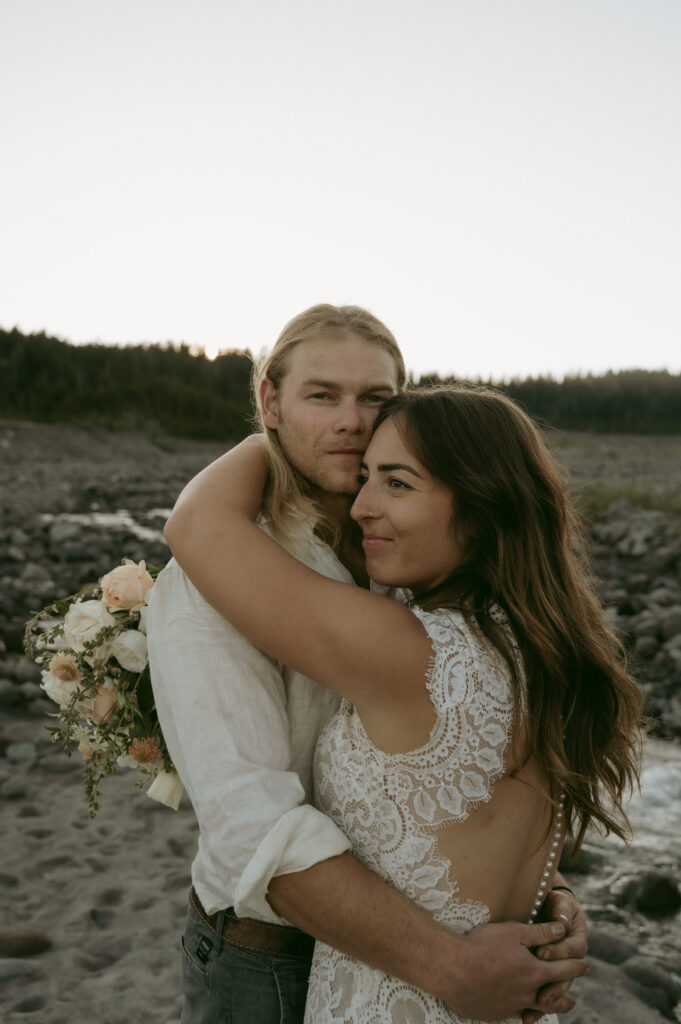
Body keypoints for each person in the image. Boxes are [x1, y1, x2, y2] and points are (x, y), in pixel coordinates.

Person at [148, 306, 589, 1024]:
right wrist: (455, 966)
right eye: (321, 396)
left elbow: (477, 787)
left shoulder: (407, 552)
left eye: (374, 399)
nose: (351, 421)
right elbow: (253, 829)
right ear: (270, 404)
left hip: (432, 956)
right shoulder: (209, 581)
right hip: (272, 959)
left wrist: (541, 893)